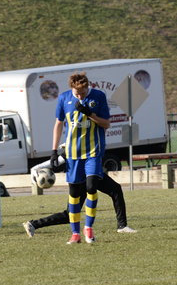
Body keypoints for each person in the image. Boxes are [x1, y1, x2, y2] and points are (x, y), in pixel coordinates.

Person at [51, 72, 110, 244]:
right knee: (74, 193)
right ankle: (75, 233)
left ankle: (88, 228)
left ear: (87, 87)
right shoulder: (64, 98)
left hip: (93, 151)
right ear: (72, 89)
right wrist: (54, 150)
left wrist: (90, 114)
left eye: (83, 93)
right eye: (77, 93)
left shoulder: (98, 96)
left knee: (91, 187)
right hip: (72, 153)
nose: (80, 96)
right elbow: (58, 123)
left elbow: (106, 124)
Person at [22, 154, 136, 236]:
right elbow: (60, 159)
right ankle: (121, 226)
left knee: (115, 190)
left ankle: (122, 225)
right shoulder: (79, 139)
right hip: (84, 175)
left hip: (87, 173)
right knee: (70, 214)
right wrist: (36, 168)